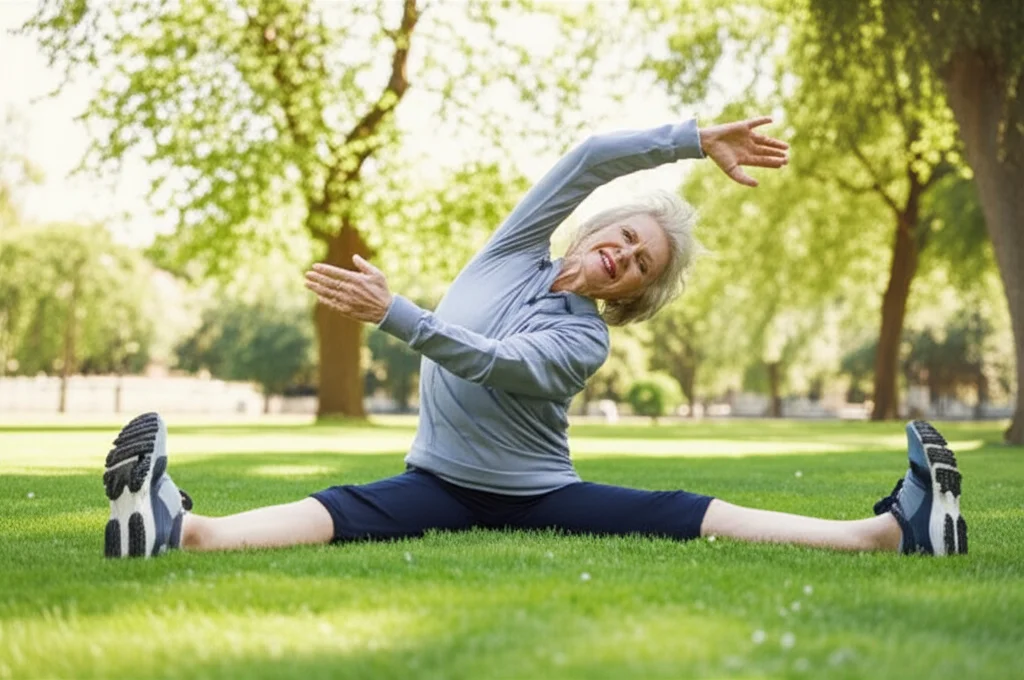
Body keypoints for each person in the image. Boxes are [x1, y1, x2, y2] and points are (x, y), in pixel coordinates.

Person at [101, 116, 967, 559]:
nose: (621, 252)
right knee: (346, 507)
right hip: (435, 481)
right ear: (596, 228)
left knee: (677, 516)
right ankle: (180, 530)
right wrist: (694, 140)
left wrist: (394, 313)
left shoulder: (584, 343)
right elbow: (590, 157)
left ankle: (889, 534)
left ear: (634, 291)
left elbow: (495, 365)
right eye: (623, 234)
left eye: (639, 261)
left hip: (535, 492)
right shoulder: (513, 249)